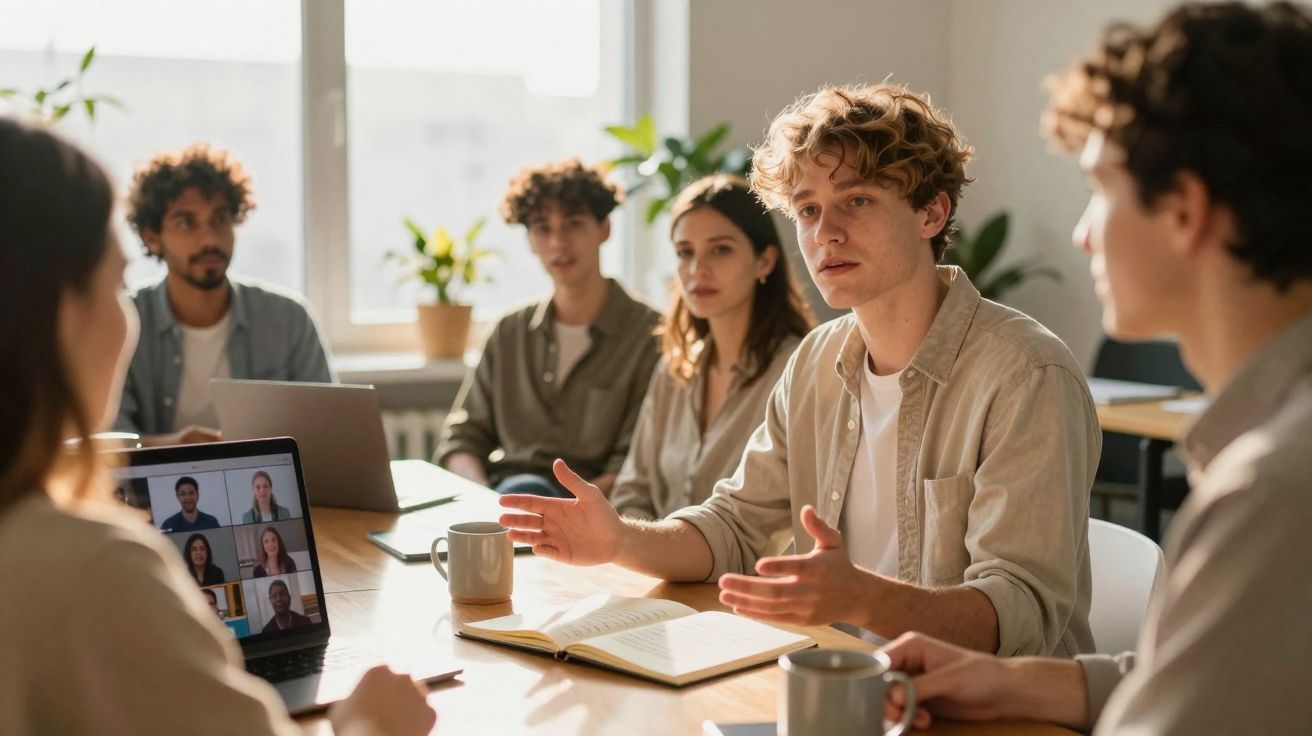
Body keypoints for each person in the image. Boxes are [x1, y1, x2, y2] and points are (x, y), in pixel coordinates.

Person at [501, 83, 1102, 656]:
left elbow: (1021, 610)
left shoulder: (1027, 373)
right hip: (842, 679)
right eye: (808, 210)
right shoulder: (816, 361)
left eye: (857, 201)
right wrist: (619, 541)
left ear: (931, 213)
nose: (825, 234)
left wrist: (864, 599)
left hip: (989, 712)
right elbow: (734, 524)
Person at [879, 4, 1312, 734]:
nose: (1081, 234)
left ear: (1184, 209)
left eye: (1099, 188)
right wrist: (1005, 682)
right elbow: (1193, 679)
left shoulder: (1273, 491)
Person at [0, 117, 434, 735]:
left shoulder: (285, 317)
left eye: (220, 217)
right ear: (55, 309)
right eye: (116, 283)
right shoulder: (98, 568)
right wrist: (369, 725)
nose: (128, 317)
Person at [436, 158, 661, 498]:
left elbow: (636, 460)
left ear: (604, 229)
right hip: (504, 500)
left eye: (573, 224)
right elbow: (463, 437)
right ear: (529, 240)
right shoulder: (509, 331)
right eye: (543, 228)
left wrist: (564, 514)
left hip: (595, 508)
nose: (558, 242)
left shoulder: (651, 332)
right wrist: (484, 500)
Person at [609, 175, 813, 519]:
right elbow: (632, 489)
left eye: (721, 249)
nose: (697, 269)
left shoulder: (797, 370)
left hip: (744, 572)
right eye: (685, 252)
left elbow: (787, 519)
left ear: (764, 261)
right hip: (653, 566)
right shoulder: (676, 367)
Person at [115, 143, 335, 448]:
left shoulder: (288, 319)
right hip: (154, 495)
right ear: (152, 237)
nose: (209, 238)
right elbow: (107, 445)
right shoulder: (124, 321)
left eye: (220, 219)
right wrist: (176, 446)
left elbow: (327, 429)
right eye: (186, 222)